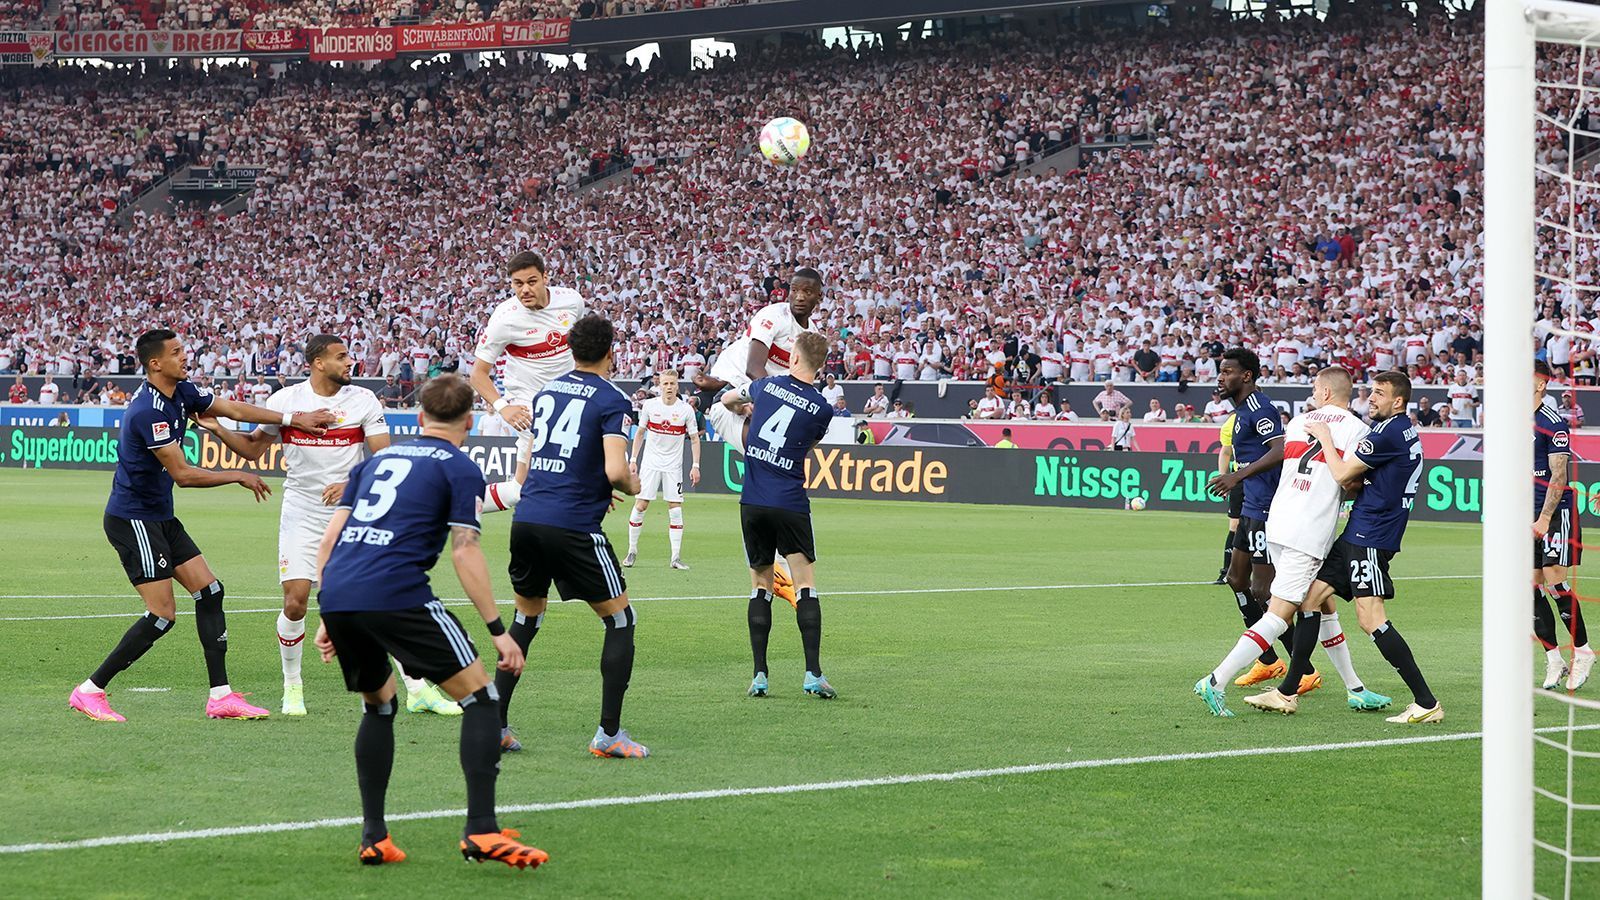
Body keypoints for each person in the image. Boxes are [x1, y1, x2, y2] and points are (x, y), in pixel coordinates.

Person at [310, 374, 546, 869]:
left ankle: (374, 836)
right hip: (397, 593)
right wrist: (499, 631)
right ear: (468, 422)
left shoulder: (377, 460)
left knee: (379, 705)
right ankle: (481, 831)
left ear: (418, 419)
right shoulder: (461, 468)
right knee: (482, 697)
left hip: (341, 591)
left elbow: (331, 537)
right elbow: (465, 549)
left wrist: (330, 610)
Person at [69, 328, 335, 723]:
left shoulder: (182, 393)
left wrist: (293, 418)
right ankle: (90, 691)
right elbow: (182, 474)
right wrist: (236, 474)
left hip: (159, 517)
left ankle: (221, 697)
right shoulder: (149, 412)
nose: (185, 355)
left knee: (210, 591)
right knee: (161, 615)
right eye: (176, 352)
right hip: (133, 520)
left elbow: (235, 410)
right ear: (155, 363)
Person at [197, 335, 458, 717]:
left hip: (352, 514)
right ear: (318, 363)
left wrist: (352, 485)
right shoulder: (285, 402)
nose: (349, 362)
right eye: (341, 357)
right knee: (296, 600)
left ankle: (417, 689)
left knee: (379, 600)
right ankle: (292, 687)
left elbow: (384, 459)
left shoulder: (363, 401)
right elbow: (254, 449)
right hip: (302, 511)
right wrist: (218, 429)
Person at [498, 315, 649, 758]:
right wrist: (630, 486)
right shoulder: (612, 400)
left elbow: (556, 456)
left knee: (526, 619)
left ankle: (494, 724)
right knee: (621, 620)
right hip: (571, 526)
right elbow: (616, 470)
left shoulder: (549, 392)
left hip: (527, 518)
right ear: (611, 352)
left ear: (570, 349)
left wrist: (595, 488)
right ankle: (609, 735)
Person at [1197, 367, 1385, 716]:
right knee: (1280, 616)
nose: (1313, 393)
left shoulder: (1299, 422)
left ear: (1326, 393)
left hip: (1279, 523)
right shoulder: (1359, 431)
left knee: (1323, 605)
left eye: (1316, 387)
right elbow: (1350, 482)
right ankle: (1215, 680)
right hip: (1310, 531)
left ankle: (1355, 688)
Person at [1271, 370, 1441, 723]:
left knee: (1371, 619)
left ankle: (1426, 702)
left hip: (1372, 537)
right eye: (1371, 392)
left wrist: (1325, 437)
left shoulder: (1389, 432)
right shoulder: (1395, 429)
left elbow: (1341, 474)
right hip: (1356, 532)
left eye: (1379, 394)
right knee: (1310, 600)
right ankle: (1287, 693)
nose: (1371, 398)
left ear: (1398, 401)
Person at [720, 332, 837, 700]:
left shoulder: (766, 387)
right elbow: (808, 444)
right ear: (819, 366)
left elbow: (726, 399)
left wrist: (744, 408)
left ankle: (759, 675)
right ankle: (812, 674)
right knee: (805, 585)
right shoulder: (822, 408)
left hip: (753, 501)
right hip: (790, 502)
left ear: (793, 358)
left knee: (760, 585)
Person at [701, 268, 825, 607]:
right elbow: (756, 366)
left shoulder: (811, 335)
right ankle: (778, 571)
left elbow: (800, 383)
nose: (800, 296)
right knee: (766, 456)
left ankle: (776, 568)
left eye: (808, 291)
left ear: (819, 297)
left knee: (772, 467)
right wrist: (763, 402)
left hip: (761, 404)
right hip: (732, 398)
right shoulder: (773, 316)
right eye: (795, 289)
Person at [1204, 348, 1309, 691]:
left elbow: (1279, 450)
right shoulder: (1239, 412)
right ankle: (1268, 661)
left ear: (1246, 375)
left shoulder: (1259, 408)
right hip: (1251, 507)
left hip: (1266, 509)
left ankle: (1303, 670)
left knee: (1264, 591)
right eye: (1220, 371)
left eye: (1228, 371)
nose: (1221, 377)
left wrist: (1236, 476)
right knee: (1236, 580)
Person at [469, 251, 584, 515]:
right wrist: (503, 407)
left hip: (567, 400)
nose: (525, 289)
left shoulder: (572, 301)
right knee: (544, 483)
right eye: (517, 284)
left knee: (520, 491)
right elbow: (478, 373)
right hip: (528, 404)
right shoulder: (504, 318)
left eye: (531, 281)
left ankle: (451, 506)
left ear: (546, 277)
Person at [1531, 360, 1593, 689]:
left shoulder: (1552, 423)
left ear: (1540, 384)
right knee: (1529, 587)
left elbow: (1559, 474)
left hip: (1555, 512)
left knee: (1555, 581)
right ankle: (1554, 659)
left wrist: (1543, 516)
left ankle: (1582, 651)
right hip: (1524, 514)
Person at [624, 369, 701, 570]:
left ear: (677, 386)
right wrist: (633, 459)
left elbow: (694, 439)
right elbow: (639, 434)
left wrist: (695, 465)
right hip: (650, 464)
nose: (668, 387)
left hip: (673, 466)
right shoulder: (649, 406)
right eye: (665, 384)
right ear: (659, 386)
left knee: (675, 509)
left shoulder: (686, 410)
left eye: (672, 384)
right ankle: (632, 551)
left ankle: (675, 557)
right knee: (641, 505)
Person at [1214, 412, 1240, 585]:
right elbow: (1226, 452)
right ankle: (1227, 572)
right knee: (1235, 525)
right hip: (1240, 477)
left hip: (1264, 478)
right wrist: (1223, 479)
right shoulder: (1230, 424)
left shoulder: (1266, 416)